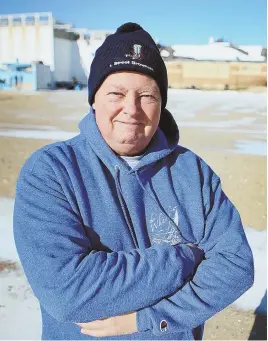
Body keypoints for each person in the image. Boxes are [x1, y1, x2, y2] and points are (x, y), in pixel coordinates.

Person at [13, 23, 254, 340]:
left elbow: (236, 267)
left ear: (161, 105)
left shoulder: (192, 171)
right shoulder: (52, 171)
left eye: (147, 95)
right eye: (116, 93)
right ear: (94, 99)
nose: (132, 109)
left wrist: (153, 318)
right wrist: (183, 258)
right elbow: (68, 293)